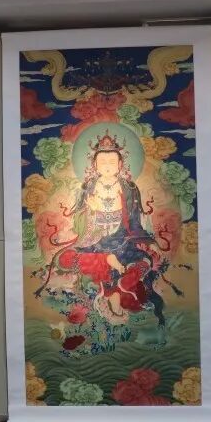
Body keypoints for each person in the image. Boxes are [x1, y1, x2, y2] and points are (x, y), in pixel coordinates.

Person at [50, 132, 165, 324]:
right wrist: (93, 212)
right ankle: (108, 264)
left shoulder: (129, 188)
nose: (107, 166)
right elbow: (79, 220)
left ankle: (119, 282)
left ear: (120, 164)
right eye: (102, 162)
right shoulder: (88, 187)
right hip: (95, 240)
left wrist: (149, 241)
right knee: (64, 259)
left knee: (146, 260)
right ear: (94, 165)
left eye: (112, 161)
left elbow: (135, 222)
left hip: (122, 239)